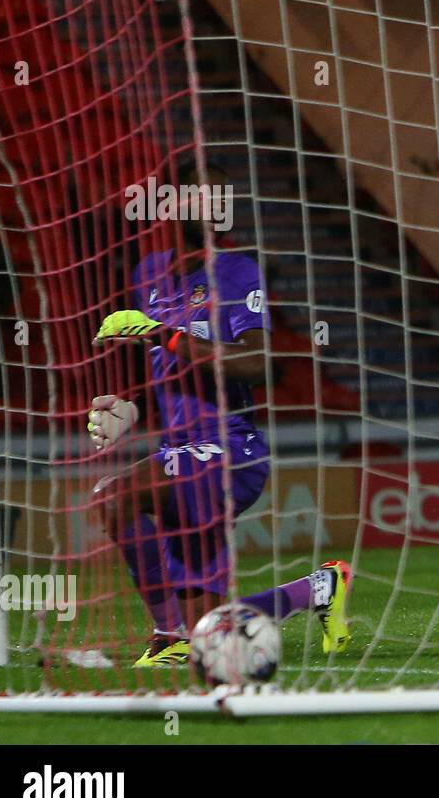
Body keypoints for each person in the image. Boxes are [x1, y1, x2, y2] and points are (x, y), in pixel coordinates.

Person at [88, 155, 352, 666]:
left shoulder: (236, 271)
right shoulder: (148, 276)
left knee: (120, 495)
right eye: (202, 194)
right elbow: (162, 374)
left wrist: (168, 333)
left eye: (223, 197)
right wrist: (132, 412)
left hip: (231, 450)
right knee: (210, 622)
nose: (215, 206)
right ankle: (319, 588)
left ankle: (169, 638)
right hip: (177, 449)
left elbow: (260, 363)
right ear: (171, 202)